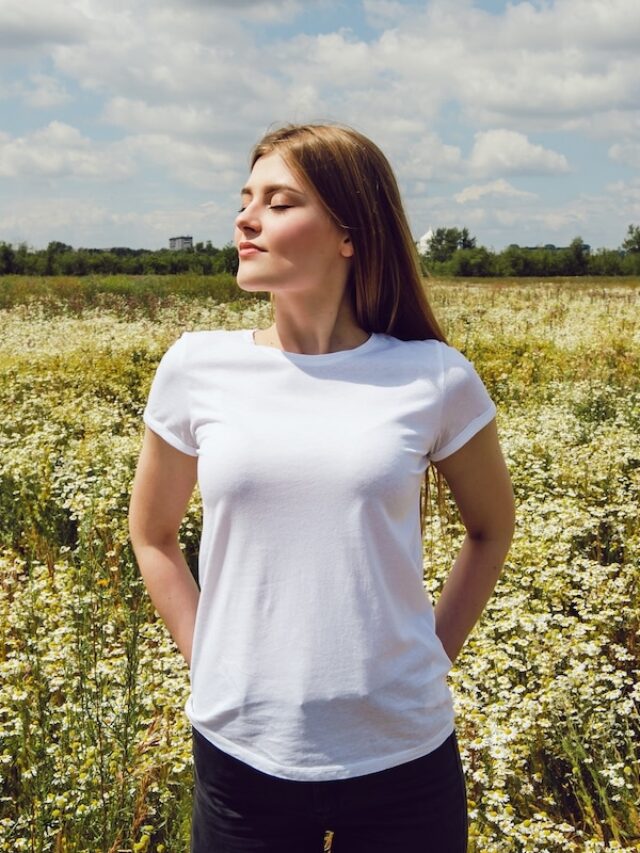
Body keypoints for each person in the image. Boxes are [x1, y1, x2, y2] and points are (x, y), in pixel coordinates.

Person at [128, 123, 515, 853]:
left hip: (404, 755)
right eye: (246, 199)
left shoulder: (434, 375)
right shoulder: (194, 367)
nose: (246, 219)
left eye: (279, 202)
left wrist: (432, 657)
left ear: (349, 232)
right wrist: (208, 656)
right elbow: (151, 534)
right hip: (243, 752)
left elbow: (493, 527)